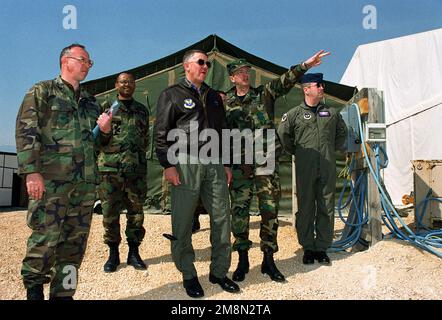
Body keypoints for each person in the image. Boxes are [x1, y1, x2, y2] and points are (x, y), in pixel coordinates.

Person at [15, 43, 112, 300]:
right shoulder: (43, 91)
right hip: (51, 182)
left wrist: (105, 131)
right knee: (45, 239)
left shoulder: (92, 102)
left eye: (89, 62)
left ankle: (64, 295)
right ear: (65, 61)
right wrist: (31, 172)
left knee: (74, 245)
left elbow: (98, 145)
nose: (87, 65)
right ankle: (34, 290)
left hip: (84, 186)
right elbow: (26, 131)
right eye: (83, 60)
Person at [225, 51, 330, 282]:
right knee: (239, 213)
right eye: (240, 73)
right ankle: (242, 260)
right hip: (240, 166)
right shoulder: (225, 102)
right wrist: (226, 165)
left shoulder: (264, 94)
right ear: (232, 77)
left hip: (266, 164)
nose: (245, 75)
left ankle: (268, 261)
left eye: (247, 72)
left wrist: (305, 65)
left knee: (269, 212)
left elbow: (287, 79)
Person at [154, 49, 239, 298]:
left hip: (214, 163)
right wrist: (167, 165)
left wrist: (226, 164)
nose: (205, 66)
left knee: (222, 217)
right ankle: (189, 274)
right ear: (187, 66)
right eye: (201, 62)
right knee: (182, 221)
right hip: (185, 162)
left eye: (208, 64)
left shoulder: (213, 96)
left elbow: (223, 132)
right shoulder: (172, 94)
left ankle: (219, 271)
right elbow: (161, 133)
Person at [277, 73, 347, 265]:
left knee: (326, 206)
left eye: (323, 85)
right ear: (306, 89)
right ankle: (308, 247)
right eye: (319, 85)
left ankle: (322, 247)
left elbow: (342, 133)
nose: (322, 88)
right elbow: (283, 136)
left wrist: (331, 151)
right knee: (306, 206)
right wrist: (299, 153)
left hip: (327, 166)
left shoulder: (332, 113)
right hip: (305, 168)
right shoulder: (293, 114)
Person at [97, 72, 149, 273]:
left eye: (130, 81)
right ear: (116, 85)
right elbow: (97, 140)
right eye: (123, 82)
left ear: (134, 85)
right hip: (110, 171)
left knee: (136, 214)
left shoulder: (142, 110)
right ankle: (113, 253)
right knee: (110, 213)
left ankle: (134, 252)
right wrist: (105, 131)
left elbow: (145, 140)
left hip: (135, 171)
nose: (127, 84)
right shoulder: (107, 108)